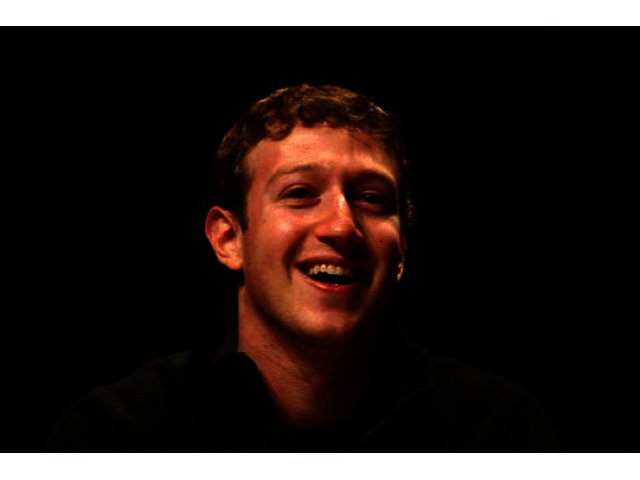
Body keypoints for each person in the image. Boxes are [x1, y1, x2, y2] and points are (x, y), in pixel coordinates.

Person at [47, 84, 562, 452]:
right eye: (299, 193)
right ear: (229, 239)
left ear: (401, 252)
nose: (342, 225)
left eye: (371, 198)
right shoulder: (115, 437)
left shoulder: (499, 434)